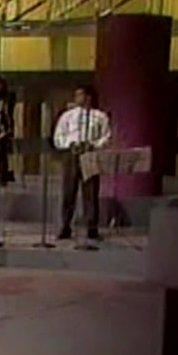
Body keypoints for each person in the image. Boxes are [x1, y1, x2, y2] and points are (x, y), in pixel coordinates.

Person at [52, 85, 112, 240]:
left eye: (81, 94)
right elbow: (59, 135)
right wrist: (69, 144)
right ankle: (65, 226)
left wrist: (94, 145)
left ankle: (92, 228)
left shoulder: (100, 116)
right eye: (77, 94)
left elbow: (106, 136)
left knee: (91, 192)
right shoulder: (67, 116)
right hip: (72, 155)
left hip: (90, 155)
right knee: (68, 192)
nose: (78, 98)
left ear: (89, 97)